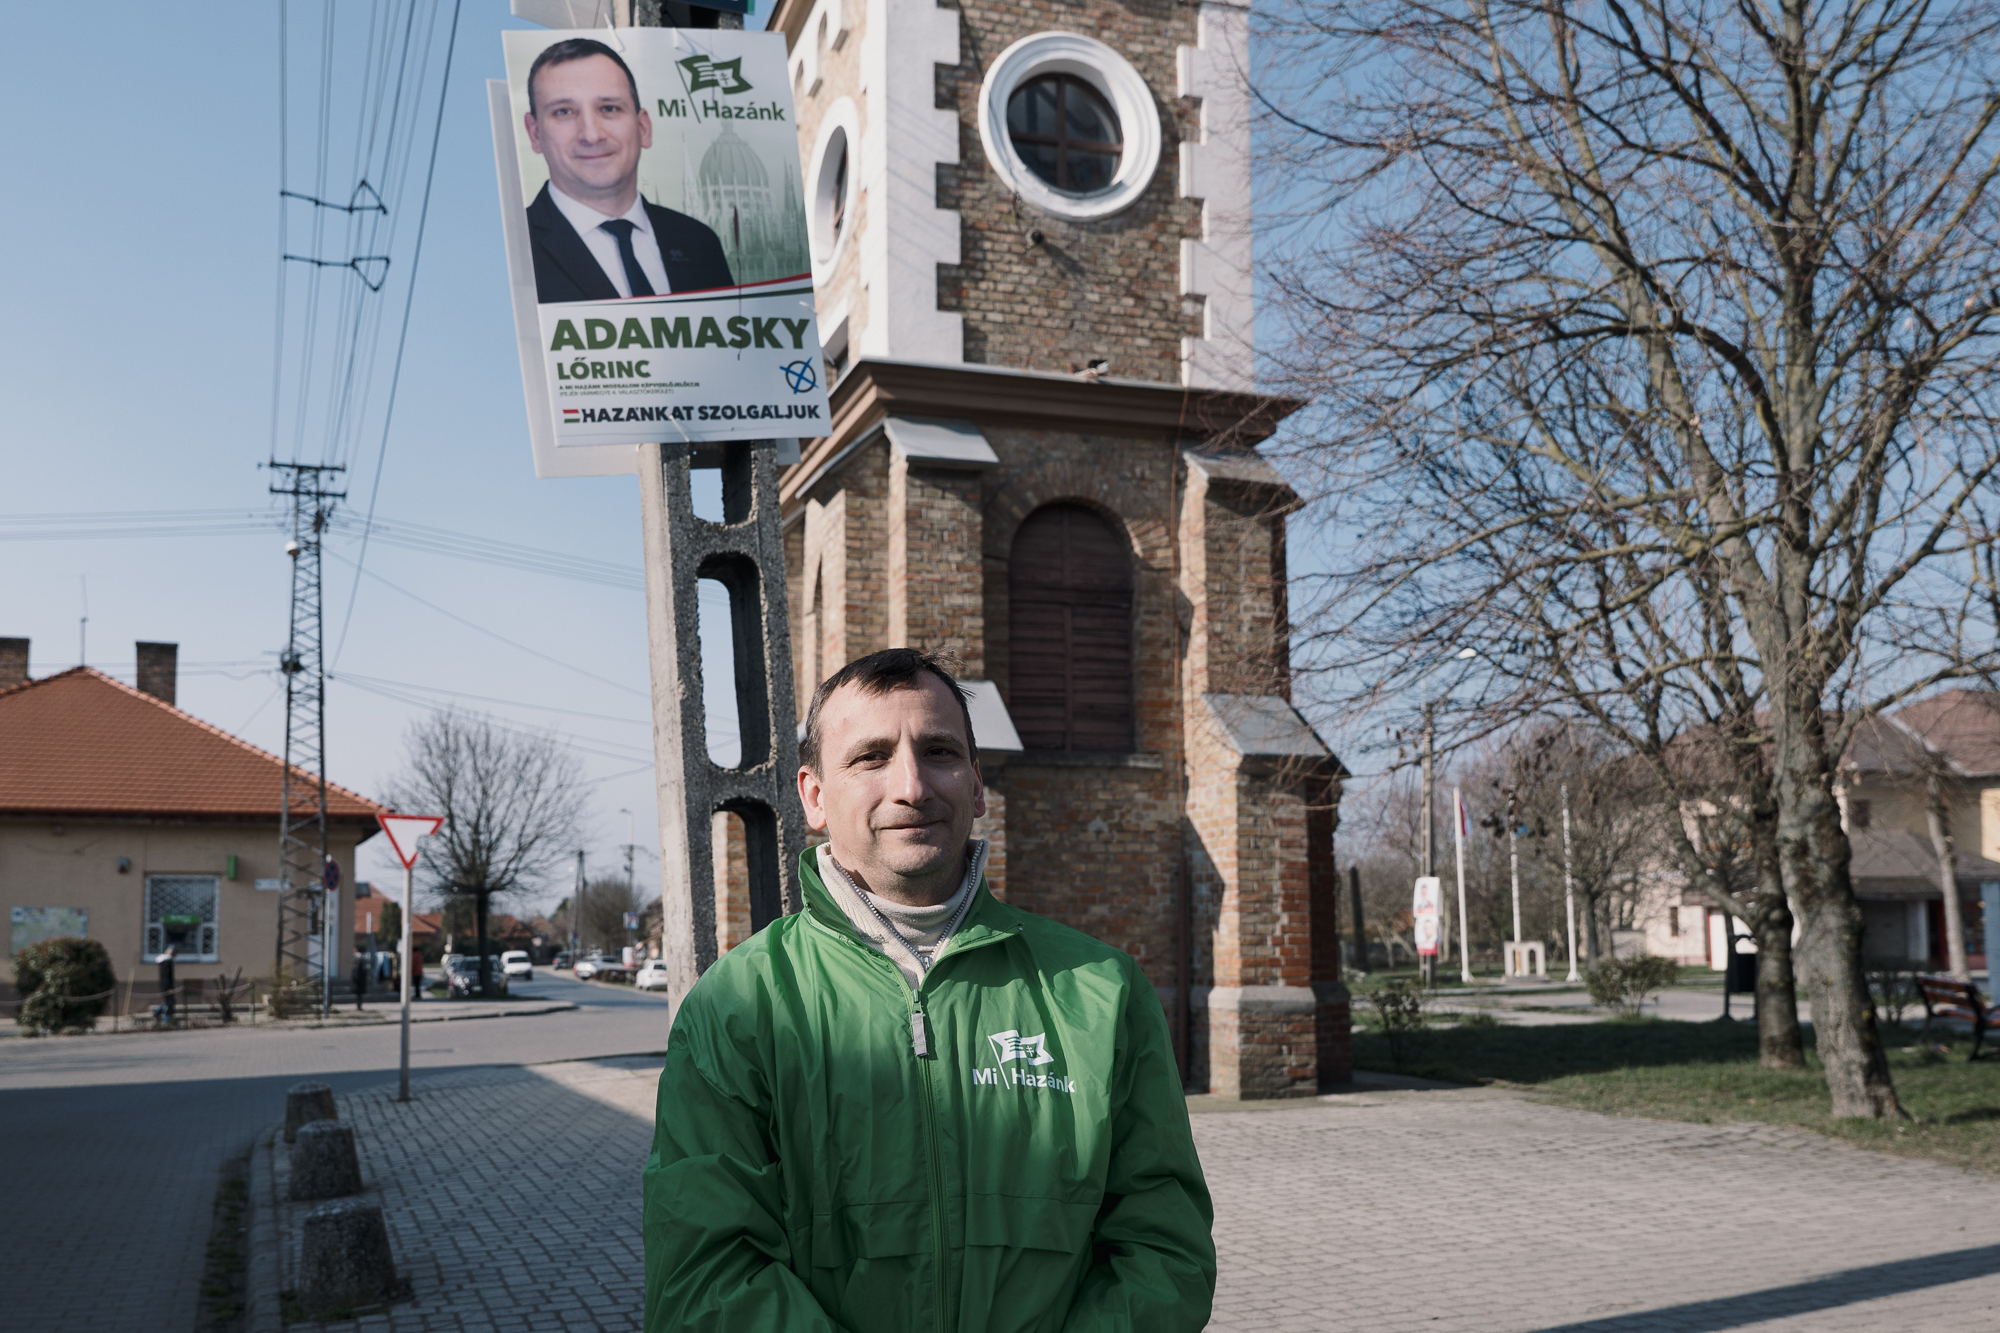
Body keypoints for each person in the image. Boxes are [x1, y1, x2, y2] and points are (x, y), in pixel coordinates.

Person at [643, 649, 1215, 1331]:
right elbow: (705, 1276)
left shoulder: (1102, 991)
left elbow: (1163, 1252)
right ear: (815, 797)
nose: (912, 785)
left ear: (977, 785)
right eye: (871, 757)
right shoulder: (739, 1004)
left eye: (939, 751)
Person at [521, 38, 733, 303]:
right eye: (564, 112)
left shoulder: (699, 241)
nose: (591, 135)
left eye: (609, 108)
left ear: (643, 128)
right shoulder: (513, 247)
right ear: (535, 133)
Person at [156, 944, 177, 1028]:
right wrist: (170, 987)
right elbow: (168, 976)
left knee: (167, 1002)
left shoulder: (163, 961)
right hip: (167, 986)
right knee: (169, 1003)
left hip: (163, 985)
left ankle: (157, 1012)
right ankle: (165, 1021)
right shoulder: (167, 961)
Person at [351, 947, 370, 1012]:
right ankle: (359, 1006)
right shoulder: (360, 958)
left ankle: (359, 1006)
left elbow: (358, 969)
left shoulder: (359, 958)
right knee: (359, 994)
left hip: (359, 979)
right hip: (359, 979)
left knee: (359, 994)